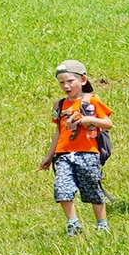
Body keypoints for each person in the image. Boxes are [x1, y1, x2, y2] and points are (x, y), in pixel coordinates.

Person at [39, 61, 112, 235]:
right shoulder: (60, 105)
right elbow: (58, 132)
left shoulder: (92, 100)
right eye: (62, 83)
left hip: (88, 153)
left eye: (70, 81)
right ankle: (73, 223)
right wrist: (49, 156)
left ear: (83, 80)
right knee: (61, 189)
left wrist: (90, 120)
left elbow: (108, 124)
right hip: (64, 155)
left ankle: (102, 224)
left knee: (93, 190)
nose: (66, 86)